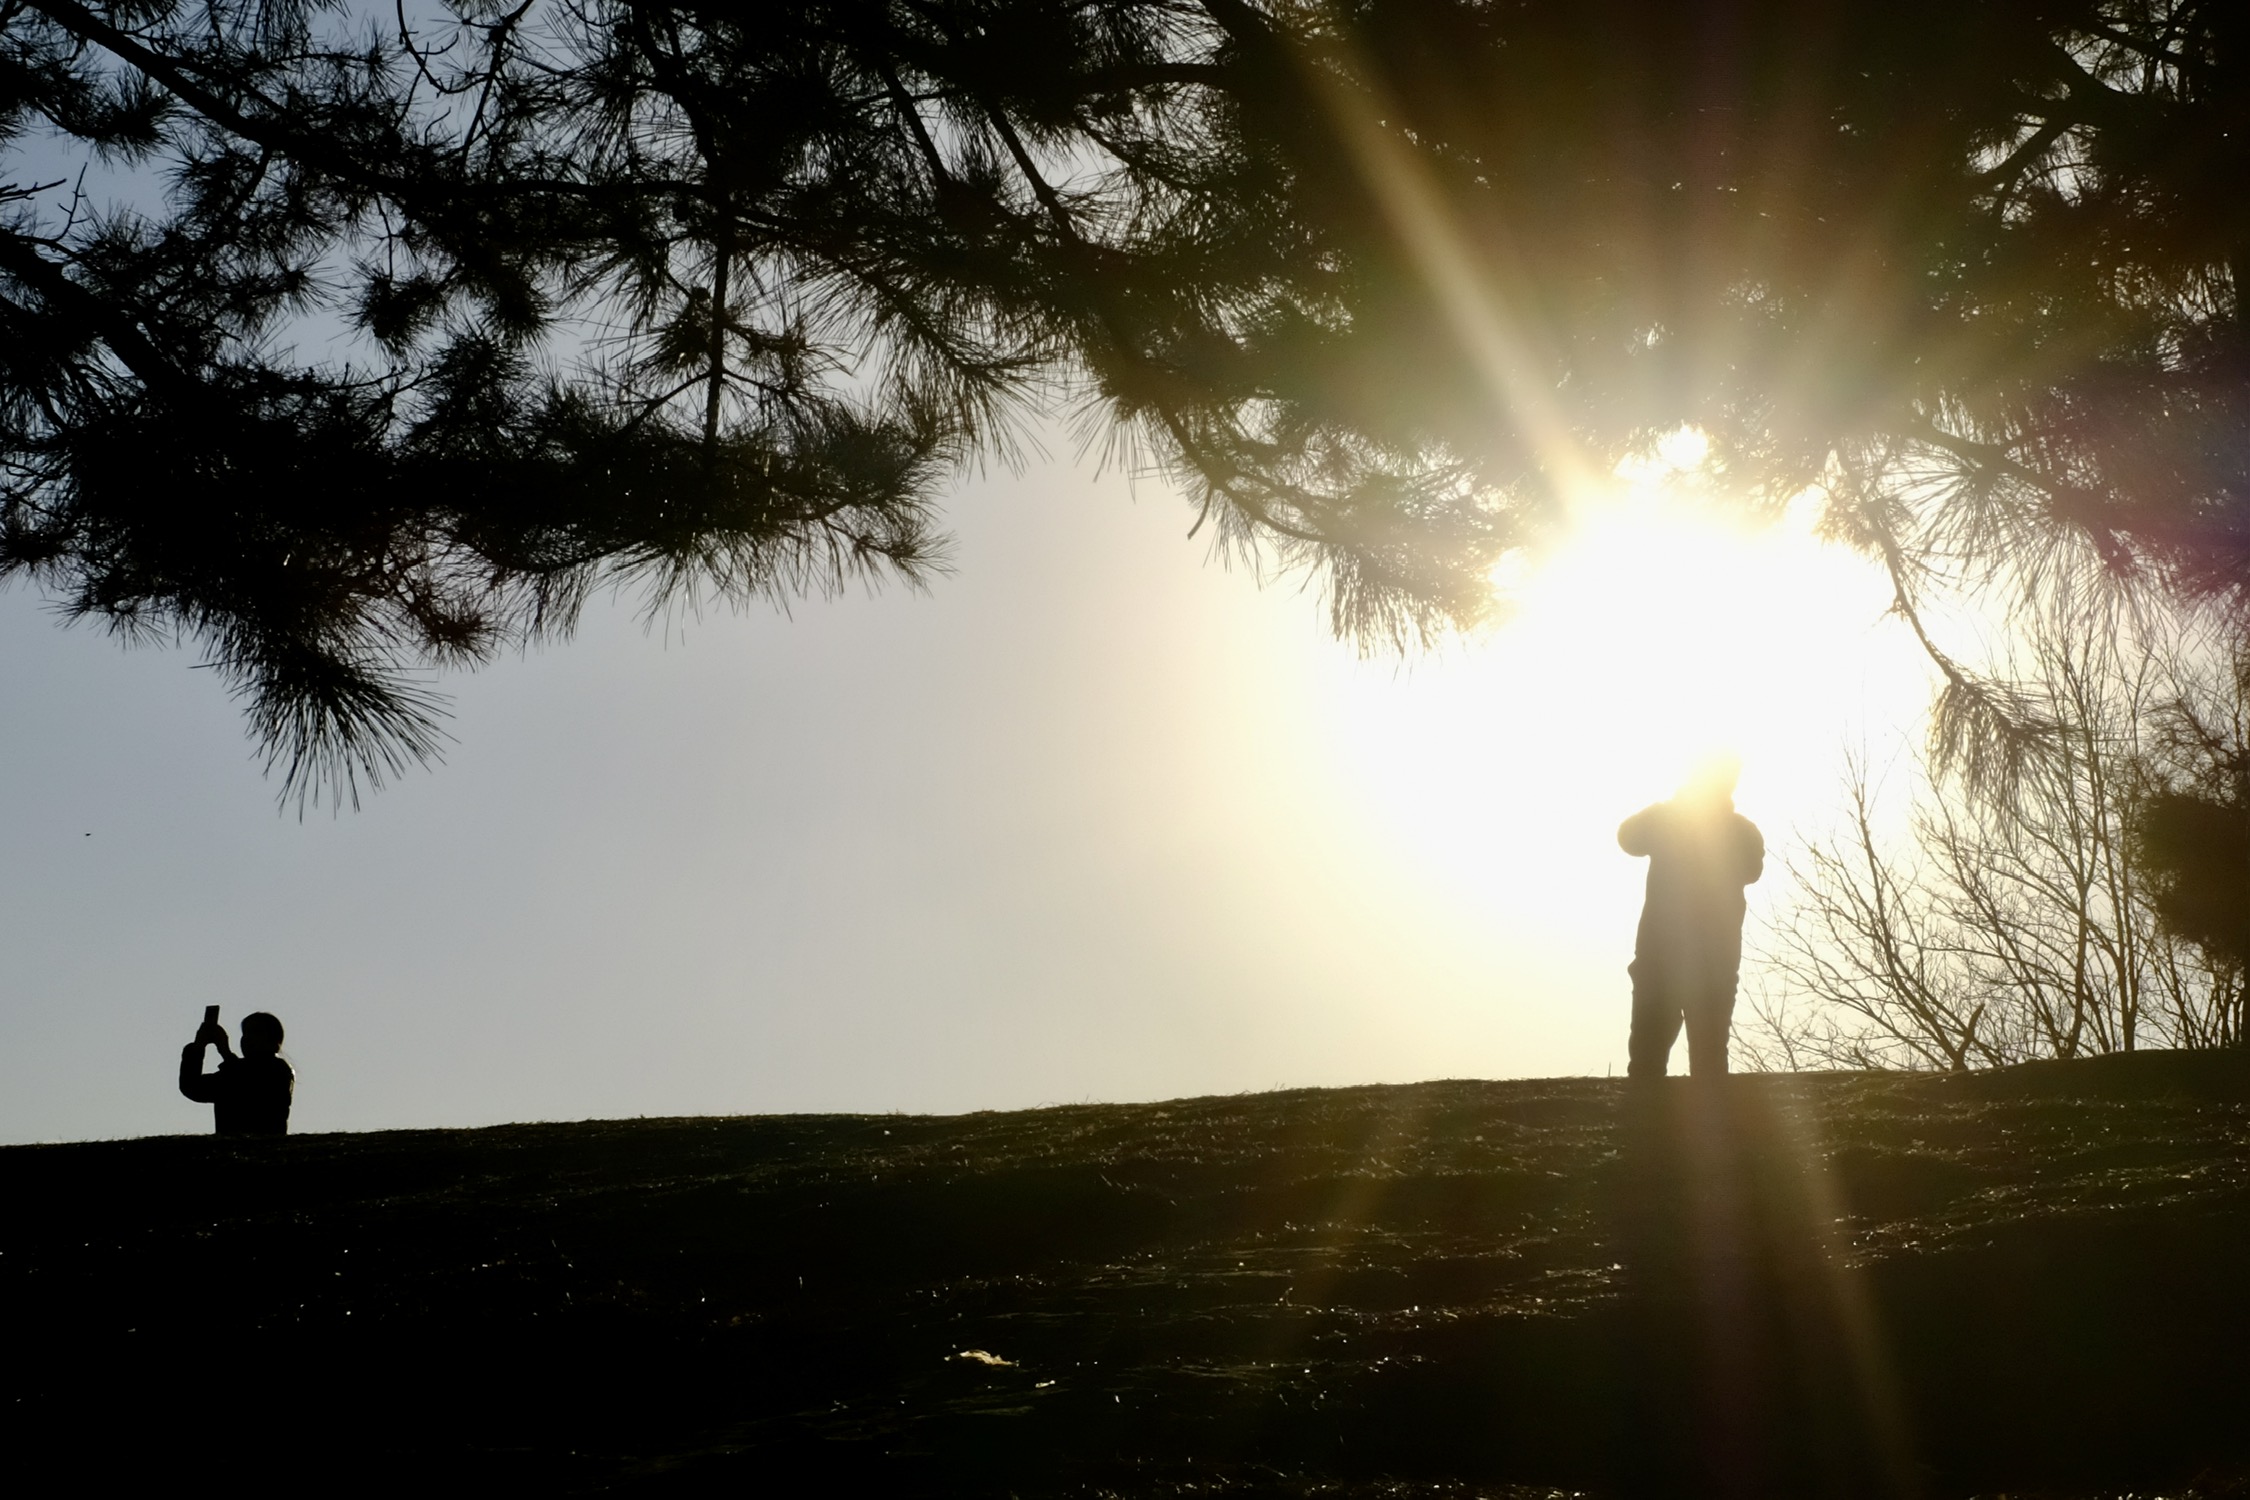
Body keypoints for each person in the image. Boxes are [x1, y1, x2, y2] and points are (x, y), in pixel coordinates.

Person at [1618, 756, 1764, 1080]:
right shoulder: (1739, 830)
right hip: (1692, 958)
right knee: (1686, 1062)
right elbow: (1627, 838)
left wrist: (1675, 812)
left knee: (1658, 1061)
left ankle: (1653, 1108)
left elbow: (1628, 837)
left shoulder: (1731, 829)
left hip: (1681, 957)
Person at [180, 1010, 295, 1135]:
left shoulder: (278, 1069)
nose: (248, 1038)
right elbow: (193, 1087)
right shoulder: (232, 1072)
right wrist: (198, 1047)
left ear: (273, 1040)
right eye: (246, 1033)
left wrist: (225, 1052)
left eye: (256, 1032)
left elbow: (249, 1086)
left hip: (263, 1144)